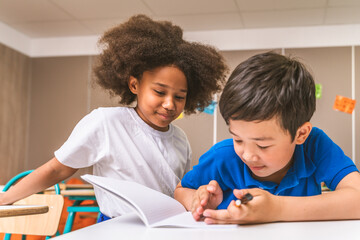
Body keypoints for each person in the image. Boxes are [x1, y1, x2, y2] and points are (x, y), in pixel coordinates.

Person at [0, 15, 228, 222]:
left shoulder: (180, 138)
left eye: (179, 96)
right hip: (116, 226)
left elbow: (181, 190)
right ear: (134, 85)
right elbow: (57, 169)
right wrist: (7, 197)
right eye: (159, 92)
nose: (170, 104)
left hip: (167, 227)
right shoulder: (106, 123)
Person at [174, 52, 360, 224]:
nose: (247, 155)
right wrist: (200, 201)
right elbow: (180, 191)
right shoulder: (224, 156)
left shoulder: (314, 146)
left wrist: (276, 208)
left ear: (301, 134)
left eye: (262, 145)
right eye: (238, 140)